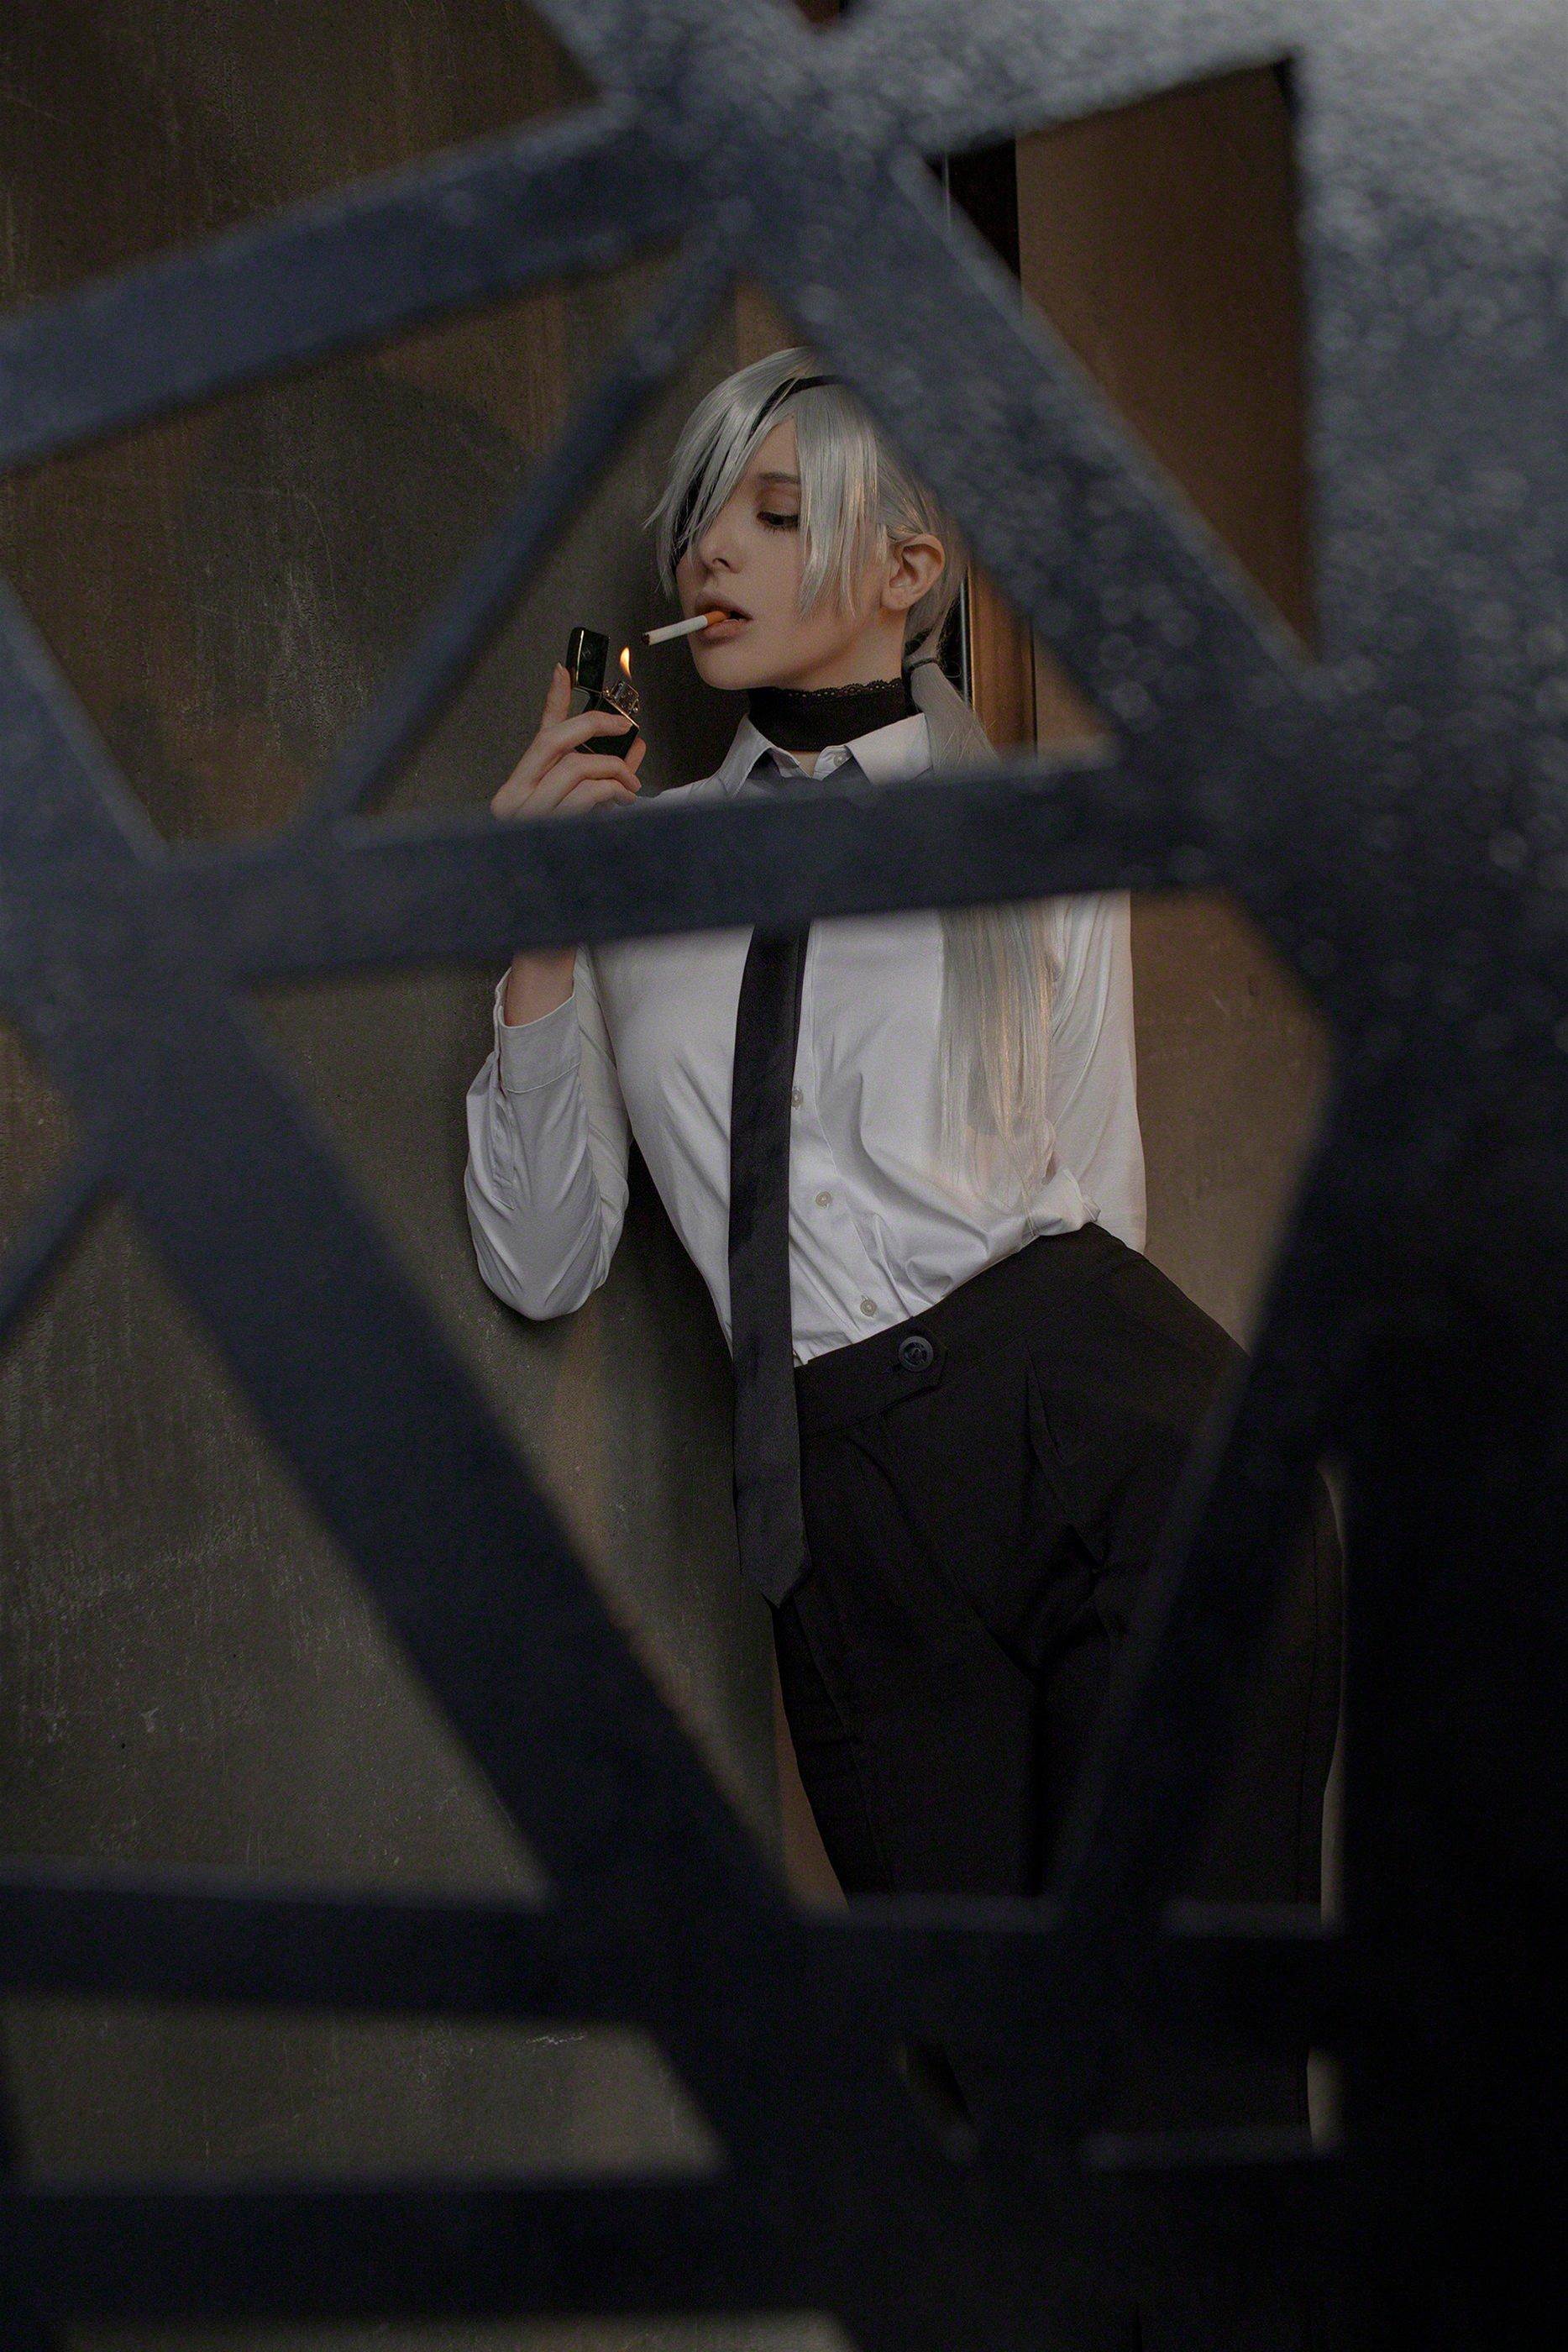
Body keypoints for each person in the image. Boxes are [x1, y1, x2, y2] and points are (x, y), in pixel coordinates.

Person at [463, 348, 1342, 2349]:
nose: (713, 547)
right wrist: (537, 920)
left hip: (1109, 1430)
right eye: (706, 510)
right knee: (997, 2112)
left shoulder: (1031, 827)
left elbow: (1092, 1192)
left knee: (1183, 2083)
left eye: (779, 512)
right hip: (847, 1521)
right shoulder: (641, 872)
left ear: (906, 569)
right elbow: (541, 1254)